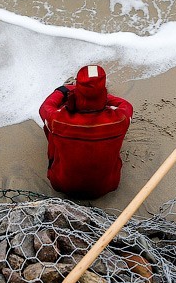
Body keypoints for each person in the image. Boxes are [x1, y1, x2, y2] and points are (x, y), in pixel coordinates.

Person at [39, 64, 133, 199]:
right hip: (108, 185)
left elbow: (46, 107)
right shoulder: (120, 119)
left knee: (51, 127)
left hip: (63, 185)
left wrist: (63, 90)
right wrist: (102, 95)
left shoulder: (58, 120)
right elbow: (124, 104)